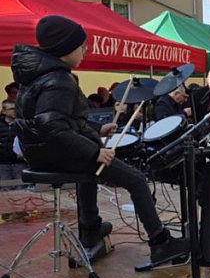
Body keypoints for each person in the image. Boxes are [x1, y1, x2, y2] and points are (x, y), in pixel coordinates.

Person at [11, 15, 188, 263]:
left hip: (40, 154)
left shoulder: (36, 75)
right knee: (136, 180)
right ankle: (161, 242)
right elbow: (53, 128)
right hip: (56, 154)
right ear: (64, 48)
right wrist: (94, 152)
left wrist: (97, 129)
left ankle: (90, 228)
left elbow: (63, 120)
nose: (86, 49)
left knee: (91, 172)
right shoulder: (60, 79)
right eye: (81, 44)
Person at [0, 100, 26, 183]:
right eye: (11, 109)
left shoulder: (23, 124)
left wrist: (24, 151)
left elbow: (30, 141)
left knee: (22, 188)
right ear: (4, 111)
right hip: (3, 163)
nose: (14, 111)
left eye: (16, 108)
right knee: (5, 189)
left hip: (19, 162)